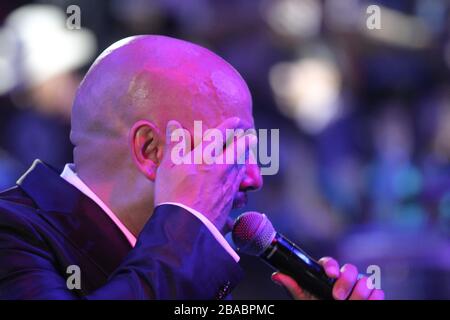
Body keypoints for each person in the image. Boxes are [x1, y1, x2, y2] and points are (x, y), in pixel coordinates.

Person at [0, 35, 383, 300]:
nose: (254, 177)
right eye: (229, 148)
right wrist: (186, 218)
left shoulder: (183, 256)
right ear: (150, 150)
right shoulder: (10, 232)